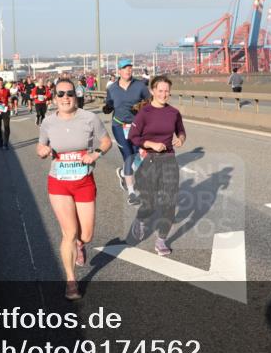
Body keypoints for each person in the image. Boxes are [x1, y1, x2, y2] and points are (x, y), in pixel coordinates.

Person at [37, 77, 112, 300]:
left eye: (69, 93)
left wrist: (96, 153)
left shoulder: (89, 118)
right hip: (58, 182)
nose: (65, 98)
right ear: (54, 97)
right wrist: (41, 151)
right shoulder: (48, 122)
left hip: (83, 181)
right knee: (68, 232)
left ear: (76, 95)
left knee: (86, 234)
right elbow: (41, 145)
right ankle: (71, 281)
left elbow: (107, 142)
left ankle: (81, 244)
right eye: (60, 94)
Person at [128, 75, 186, 256]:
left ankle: (161, 240)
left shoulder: (174, 112)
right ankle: (142, 219)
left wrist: (181, 139)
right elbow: (133, 137)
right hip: (150, 160)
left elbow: (181, 131)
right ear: (152, 91)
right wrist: (151, 144)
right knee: (150, 204)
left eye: (167, 91)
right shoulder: (144, 113)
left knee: (169, 202)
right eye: (160, 90)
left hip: (169, 160)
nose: (164, 94)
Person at [102, 58, 151, 206]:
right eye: (124, 68)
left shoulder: (140, 86)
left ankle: (123, 173)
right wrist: (108, 107)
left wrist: (141, 106)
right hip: (119, 126)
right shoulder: (112, 88)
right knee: (129, 156)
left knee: (140, 155)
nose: (128, 70)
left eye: (130, 68)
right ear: (119, 71)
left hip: (137, 126)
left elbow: (150, 102)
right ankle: (131, 193)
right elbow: (109, 103)